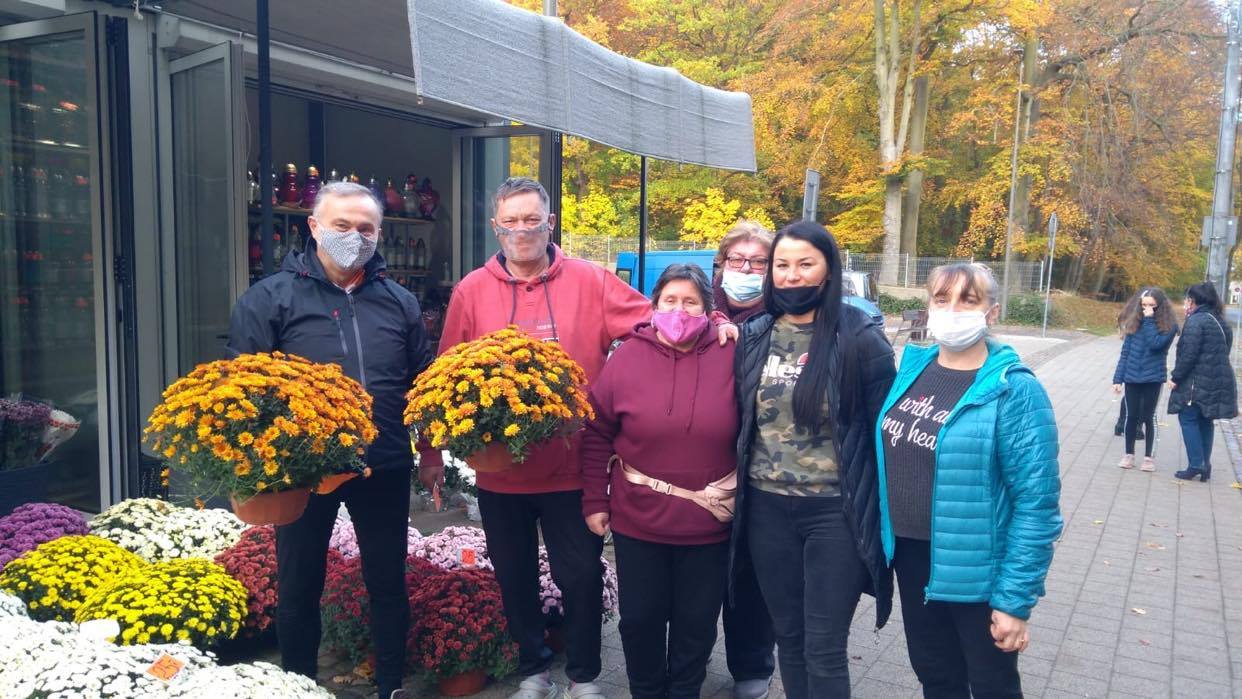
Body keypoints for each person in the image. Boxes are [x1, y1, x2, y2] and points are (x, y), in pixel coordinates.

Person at [418, 177, 711, 699]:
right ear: (495, 226)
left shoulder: (590, 281)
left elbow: (660, 321)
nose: (521, 230)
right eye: (510, 221)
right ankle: (533, 671)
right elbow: (442, 375)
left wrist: (717, 325)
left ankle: (584, 676)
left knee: (580, 578)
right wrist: (431, 451)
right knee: (514, 578)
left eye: (532, 219)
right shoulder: (471, 290)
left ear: (550, 223)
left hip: (575, 468)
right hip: (499, 471)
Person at [226, 182, 436, 699]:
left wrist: (430, 452)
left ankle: (390, 683)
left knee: (388, 580)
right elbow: (242, 391)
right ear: (314, 227)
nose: (354, 237)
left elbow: (422, 381)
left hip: (382, 463)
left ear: (379, 235)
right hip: (302, 471)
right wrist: (257, 467)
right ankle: (298, 684)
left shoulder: (399, 301)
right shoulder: (269, 298)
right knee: (299, 584)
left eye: (366, 229)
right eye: (342, 225)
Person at [876, 262, 1063, 698]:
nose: (953, 309)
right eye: (942, 299)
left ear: (991, 312)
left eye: (968, 300)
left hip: (977, 568)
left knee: (992, 684)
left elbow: (1037, 506)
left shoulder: (1013, 389)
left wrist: (1014, 601)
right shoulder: (912, 370)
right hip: (913, 557)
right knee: (936, 676)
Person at [732, 220, 895, 699]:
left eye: (805, 264)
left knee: (824, 646)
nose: (792, 275)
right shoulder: (755, 335)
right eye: (782, 265)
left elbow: (882, 429)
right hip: (766, 509)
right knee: (790, 638)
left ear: (827, 270)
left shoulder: (859, 337)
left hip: (834, 513)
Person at [581, 264, 737, 699]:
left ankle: (685, 691)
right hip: (639, 520)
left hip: (709, 523)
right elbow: (596, 433)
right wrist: (595, 500)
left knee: (697, 622)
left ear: (709, 309)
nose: (679, 311)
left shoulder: (733, 355)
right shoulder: (627, 355)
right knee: (640, 620)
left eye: (691, 302)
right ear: (653, 306)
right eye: (670, 300)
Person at [708, 222, 778, 699]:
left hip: (760, 470)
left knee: (751, 572)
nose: (747, 270)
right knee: (704, 570)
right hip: (702, 466)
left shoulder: (786, 322)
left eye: (758, 262)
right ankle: (689, 658)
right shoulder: (696, 314)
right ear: (721, 266)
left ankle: (752, 666)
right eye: (738, 261)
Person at [1168, 282, 1238, 482]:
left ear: (1194, 300)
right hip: (1217, 380)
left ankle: (1196, 463)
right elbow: (1224, 349)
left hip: (1195, 382)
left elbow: (1188, 355)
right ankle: (1205, 465)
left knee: (1188, 418)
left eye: (1188, 299)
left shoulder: (1196, 321)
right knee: (1206, 420)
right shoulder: (1220, 321)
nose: (1186, 303)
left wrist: (1175, 377)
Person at [1112, 288, 1178, 471]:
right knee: (1131, 416)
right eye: (1144, 305)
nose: (1147, 308)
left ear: (1160, 306)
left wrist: (1149, 320)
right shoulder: (1134, 323)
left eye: (1151, 305)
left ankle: (1149, 458)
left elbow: (1156, 344)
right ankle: (1128, 455)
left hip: (1153, 377)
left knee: (1148, 417)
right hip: (1132, 376)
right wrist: (1118, 379)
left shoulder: (1169, 326)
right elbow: (1125, 353)